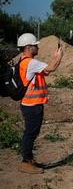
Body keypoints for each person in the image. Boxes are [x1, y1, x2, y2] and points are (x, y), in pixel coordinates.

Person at [16, 33, 63, 174]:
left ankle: (29, 159)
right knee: (30, 133)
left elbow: (45, 71)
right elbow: (52, 68)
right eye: (35, 45)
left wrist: (54, 58)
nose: (38, 47)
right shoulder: (31, 63)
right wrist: (60, 56)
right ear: (29, 47)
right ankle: (25, 162)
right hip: (32, 105)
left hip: (29, 104)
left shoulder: (24, 61)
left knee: (31, 132)